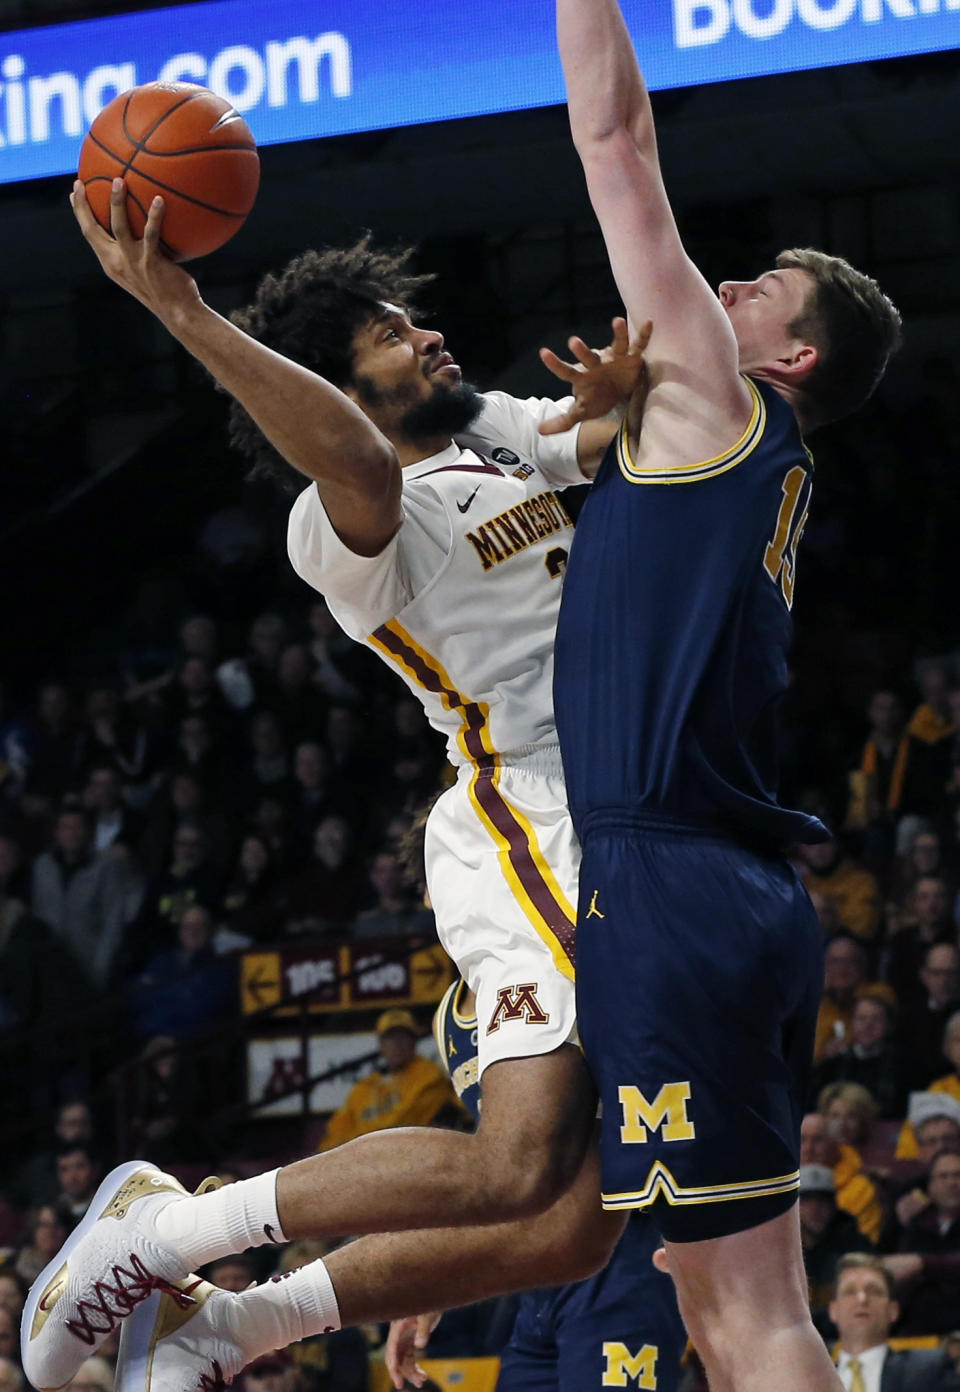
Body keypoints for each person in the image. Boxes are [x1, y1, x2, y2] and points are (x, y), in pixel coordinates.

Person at [25, 190, 647, 1391]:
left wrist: (625, 400)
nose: (425, 333)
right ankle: (161, 1234)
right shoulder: (341, 521)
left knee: (575, 1224)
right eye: (388, 329)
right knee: (518, 1169)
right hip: (532, 815)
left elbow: (606, 440)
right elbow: (355, 451)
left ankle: (232, 1327)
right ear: (333, 382)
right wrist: (183, 311)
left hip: (611, 810)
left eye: (413, 316)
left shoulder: (493, 429)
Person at [547, 1, 901, 1389]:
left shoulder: (714, 392)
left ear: (791, 356)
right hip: (719, 882)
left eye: (756, 288)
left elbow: (616, 139)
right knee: (732, 1308)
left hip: (673, 881)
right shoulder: (726, 444)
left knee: (747, 1318)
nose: (720, 289)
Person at [386, 977, 686, 1392]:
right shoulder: (447, 1019)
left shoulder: (564, 964)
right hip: (537, 1275)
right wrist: (435, 1281)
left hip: (620, 1251)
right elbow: (500, 1172)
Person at [318, 1009, 462, 1152]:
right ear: (381, 1045)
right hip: (366, 1158)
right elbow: (335, 1135)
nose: (397, 1044)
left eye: (403, 1036)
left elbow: (405, 1121)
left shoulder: (429, 1073)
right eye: (390, 1037)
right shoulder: (363, 1088)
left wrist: (363, 1140)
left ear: (414, 1042)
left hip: (411, 1152)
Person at [828, 1252, 960, 1390]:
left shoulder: (928, 1369)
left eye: (874, 1291)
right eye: (850, 1292)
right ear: (833, 1310)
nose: (862, 1299)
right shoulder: (810, 1378)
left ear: (893, 1310)